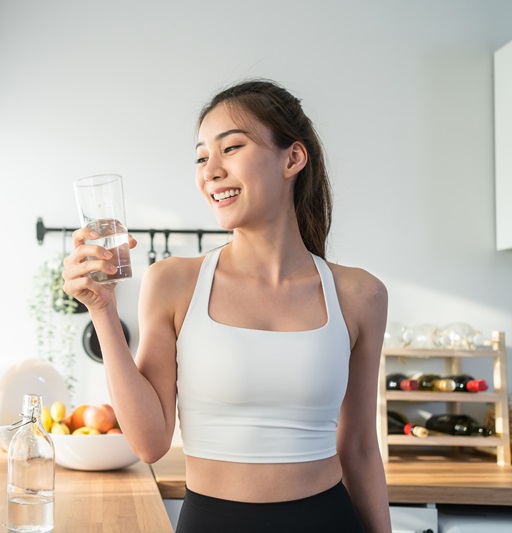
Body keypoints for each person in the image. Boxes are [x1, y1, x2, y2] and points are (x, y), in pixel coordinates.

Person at [62, 79, 391, 532]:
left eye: (230, 148)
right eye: (201, 157)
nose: (209, 171)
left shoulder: (359, 295)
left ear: (292, 158)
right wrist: (101, 309)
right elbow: (149, 443)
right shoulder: (175, 282)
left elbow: (358, 447)